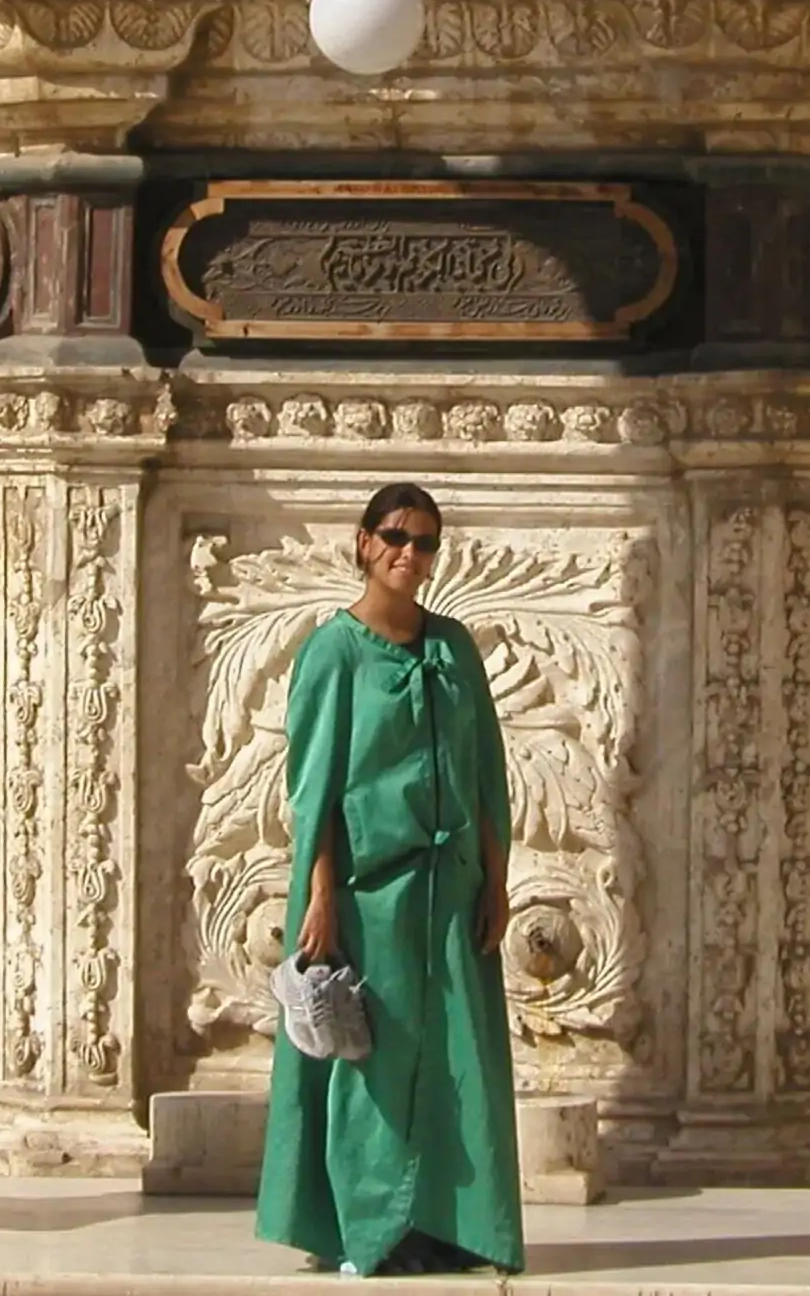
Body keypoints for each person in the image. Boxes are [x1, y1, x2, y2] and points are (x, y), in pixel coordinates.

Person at [256, 484, 525, 1278]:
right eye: (398, 538)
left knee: (458, 1060)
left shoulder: (453, 648)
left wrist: (498, 880)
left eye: (428, 542)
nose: (413, 555)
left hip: (454, 888)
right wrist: (318, 897)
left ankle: (453, 1224)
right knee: (374, 1059)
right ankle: (370, 1229)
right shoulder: (333, 651)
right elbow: (317, 788)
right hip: (372, 893)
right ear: (366, 542)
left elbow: (485, 776)